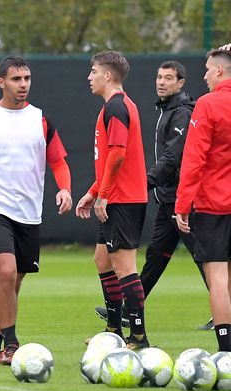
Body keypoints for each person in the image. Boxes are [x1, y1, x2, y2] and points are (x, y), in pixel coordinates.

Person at [0, 56, 72, 365]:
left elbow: (58, 160)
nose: (23, 85)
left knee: (11, 284)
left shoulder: (41, 120)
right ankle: (12, 344)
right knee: (6, 273)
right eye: (16, 79)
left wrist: (64, 188)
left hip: (29, 213)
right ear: (1, 82)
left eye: (27, 79)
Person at [93, 61, 213, 330]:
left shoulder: (181, 112)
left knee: (204, 256)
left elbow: (172, 157)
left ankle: (223, 309)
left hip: (184, 200)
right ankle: (128, 311)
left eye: (169, 78)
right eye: (159, 77)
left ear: (181, 83)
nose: (161, 82)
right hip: (167, 199)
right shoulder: (165, 110)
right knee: (156, 256)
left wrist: (143, 182)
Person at [76, 50, 150, 350]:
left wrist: (103, 195)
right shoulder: (115, 106)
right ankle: (113, 332)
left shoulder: (117, 106)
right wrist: (93, 192)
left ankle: (139, 338)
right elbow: (111, 157)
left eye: (93, 71)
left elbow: (119, 153)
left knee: (124, 267)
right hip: (115, 196)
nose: (89, 77)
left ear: (108, 75)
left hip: (123, 199)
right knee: (102, 259)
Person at [176, 47, 231, 352]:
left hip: (214, 205)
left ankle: (226, 351)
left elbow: (194, 159)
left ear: (220, 71)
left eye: (208, 70)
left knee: (218, 276)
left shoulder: (208, 104)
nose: (205, 76)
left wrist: (183, 205)